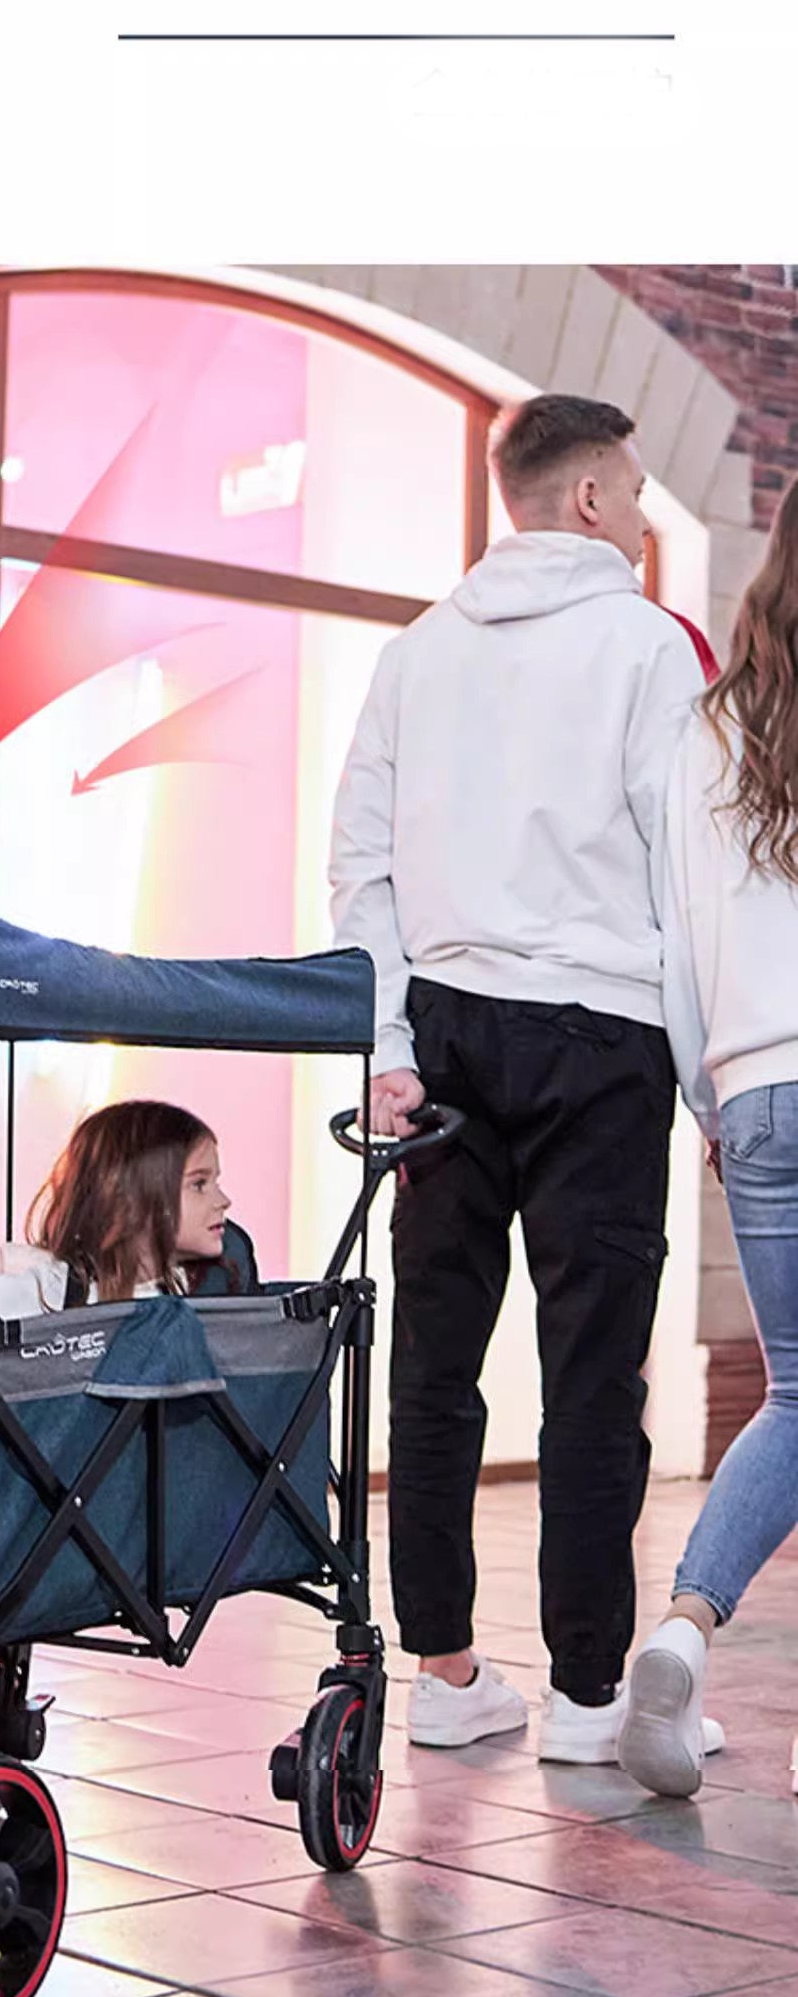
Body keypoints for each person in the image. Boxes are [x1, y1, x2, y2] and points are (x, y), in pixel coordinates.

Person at [329, 392, 708, 1763]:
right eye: (640, 490)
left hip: (444, 1031)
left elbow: (359, 867)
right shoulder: (647, 646)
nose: (647, 518)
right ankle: (588, 1702)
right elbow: (686, 874)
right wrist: (709, 1082)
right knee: (593, 1373)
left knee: (434, 1362)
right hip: (602, 1034)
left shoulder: (416, 652)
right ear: (593, 497)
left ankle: (446, 1674)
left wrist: (388, 1046)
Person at [620, 477, 798, 1796]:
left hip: (755, 1087)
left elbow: (677, 939)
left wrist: (711, 1097)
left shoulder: (707, 729)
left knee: (796, 1393)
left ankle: (683, 1626)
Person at [0, 1100, 238, 1315]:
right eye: (199, 1184)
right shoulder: (41, 1291)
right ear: (133, 1195)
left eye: (216, 1182)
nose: (224, 1201)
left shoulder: (216, 1291)